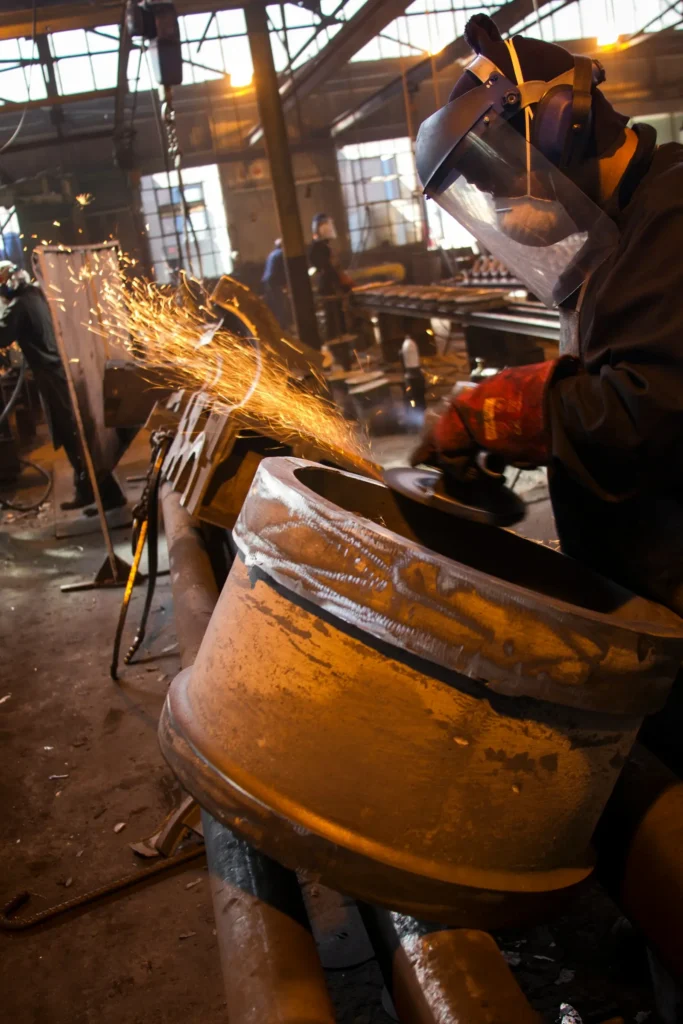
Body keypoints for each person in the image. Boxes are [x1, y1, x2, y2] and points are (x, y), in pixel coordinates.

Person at [411, 15, 683, 768]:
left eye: (495, 178)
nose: (498, 207)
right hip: (648, 586)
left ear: (560, 123)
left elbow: (653, 408)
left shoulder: (673, 216)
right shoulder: (621, 228)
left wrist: (504, 408)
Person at [0, 262, 126, 511]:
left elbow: (3, 336)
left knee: (73, 435)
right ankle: (90, 490)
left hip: (50, 375)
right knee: (73, 434)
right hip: (59, 370)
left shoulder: (19, 305)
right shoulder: (36, 295)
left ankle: (105, 493)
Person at [308, 213, 352, 341]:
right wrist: (341, 281)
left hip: (331, 284)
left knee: (337, 310)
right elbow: (329, 269)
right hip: (328, 285)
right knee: (333, 313)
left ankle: (341, 334)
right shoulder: (318, 248)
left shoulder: (324, 247)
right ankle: (336, 337)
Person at [261, 239, 291, 330]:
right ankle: (282, 328)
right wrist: (286, 285)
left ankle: (278, 328)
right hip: (274, 282)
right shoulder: (281, 254)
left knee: (274, 305)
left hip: (267, 282)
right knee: (280, 305)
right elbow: (283, 271)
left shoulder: (272, 254)